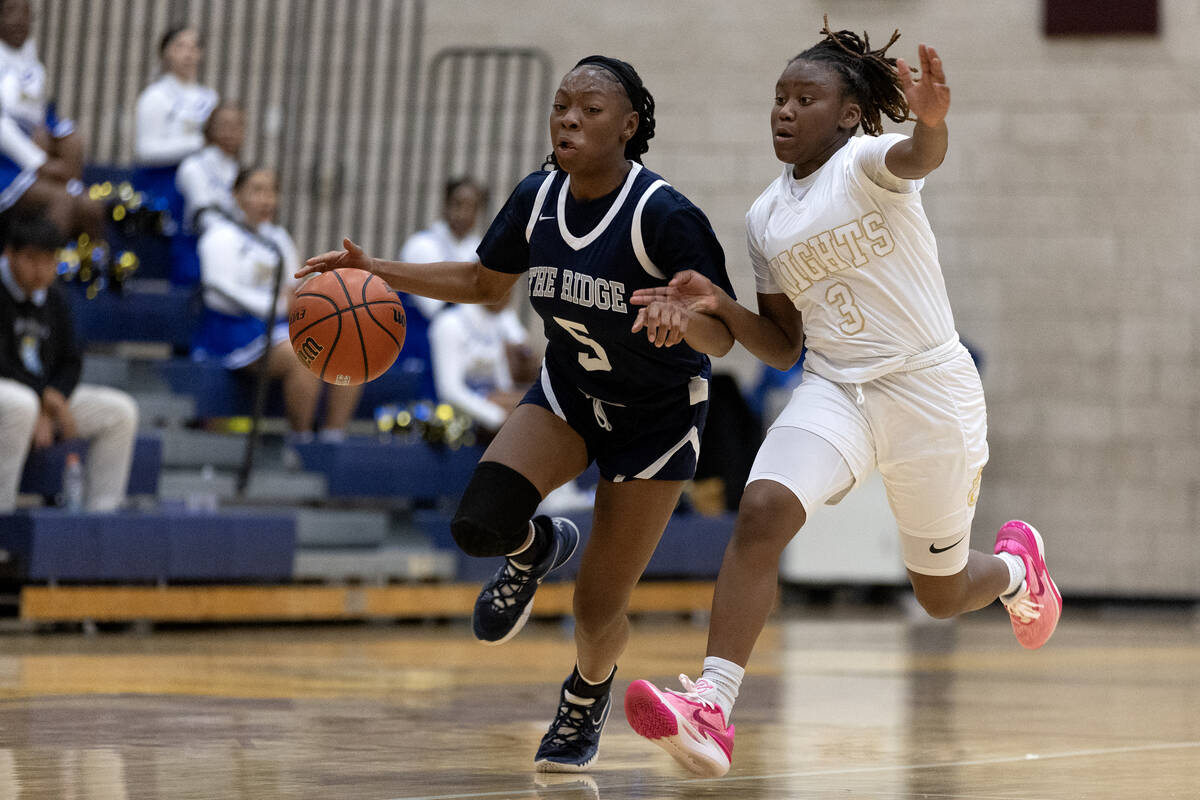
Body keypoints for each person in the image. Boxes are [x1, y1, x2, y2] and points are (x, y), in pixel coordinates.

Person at [622, 21, 1062, 778]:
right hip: (836, 388)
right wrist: (723, 309)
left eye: (805, 98)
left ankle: (1019, 571)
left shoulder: (866, 165)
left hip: (928, 388)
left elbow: (919, 154)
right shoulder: (766, 217)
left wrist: (933, 122)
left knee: (942, 593)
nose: (784, 112)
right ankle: (713, 708)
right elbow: (784, 344)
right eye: (778, 99)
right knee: (760, 513)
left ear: (849, 114)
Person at [300, 55, 735, 771]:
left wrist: (685, 318)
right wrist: (376, 269)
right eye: (562, 105)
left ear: (628, 126)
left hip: (655, 421)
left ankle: (586, 696)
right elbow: (483, 282)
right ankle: (537, 548)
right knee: (479, 524)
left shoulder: (665, 216)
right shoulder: (538, 198)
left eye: (589, 110)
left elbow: (722, 335)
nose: (568, 117)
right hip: (568, 395)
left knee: (598, 609)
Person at [192, 167, 361, 440]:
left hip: (278, 329)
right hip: (232, 332)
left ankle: (332, 438)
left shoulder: (279, 238)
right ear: (236, 195)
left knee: (351, 347)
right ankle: (301, 441)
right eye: (256, 190)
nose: (266, 199)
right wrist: (275, 304)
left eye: (270, 191)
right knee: (305, 354)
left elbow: (294, 289)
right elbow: (217, 294)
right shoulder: (220, 235)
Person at [0, 213, 138, 512]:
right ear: (9, 254)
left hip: (43, 399)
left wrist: (56, 400)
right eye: (32, 259)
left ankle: (100, 521)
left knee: (120, 412)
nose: (41, 271)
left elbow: (71, 362)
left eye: (49, 261)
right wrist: (42, 399)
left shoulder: (55, 298)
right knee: (21, 404)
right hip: (14, 396)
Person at [133, 26, 218, 285]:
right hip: (163, 182)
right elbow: (144, 151)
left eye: (194, 47)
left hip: (205, 176)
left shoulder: (209, 98)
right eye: (180, 46)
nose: (188, 54)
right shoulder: (155, 96)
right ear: (165, 53)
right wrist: (197, 144)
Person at [396, 177, 490, 399]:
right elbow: (437, 310)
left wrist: (515, 339)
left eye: (472, 207)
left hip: (468, 338)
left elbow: (497, 309)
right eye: (458, 204)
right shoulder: (422, 245)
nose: (464, 213)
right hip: (420, 339)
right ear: (446, 205)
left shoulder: (480, 250)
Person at [0, 0, 84, 182]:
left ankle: (69, 189)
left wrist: (41, 128)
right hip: (8, 149)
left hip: (32, 133)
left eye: (27, 14)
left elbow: (36, 108)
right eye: (11, 11)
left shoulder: (33, 62)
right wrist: (37, 160)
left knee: (71, 142)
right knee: (60, 201)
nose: (20, 20)